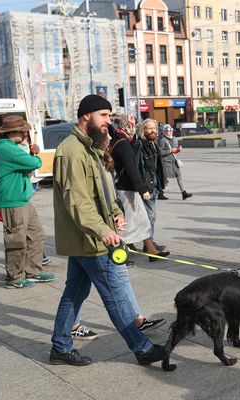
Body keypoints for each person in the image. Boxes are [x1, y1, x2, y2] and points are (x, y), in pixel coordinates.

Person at [49, 94, 165, 366]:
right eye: (103, 115)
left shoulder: (91, 148)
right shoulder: (71, 152)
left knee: (74, 293)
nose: (108, 122)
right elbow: (77, 201)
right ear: (86, 116)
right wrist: (103, 230)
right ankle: (142, 348)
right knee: (115, 293)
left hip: (89, 237)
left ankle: (61, 347)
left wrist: (115, 214)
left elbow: (103, 191)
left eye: (110, 117)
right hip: (90, 239)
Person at [0, 116, 53, 289]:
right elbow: (34, 163)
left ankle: (33, 271)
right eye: (23, 131)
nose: (26, 134)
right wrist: (34, 155)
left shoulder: (11, 147)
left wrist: (30, 151)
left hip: (21, 198)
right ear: (14, 132)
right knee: (16, 241)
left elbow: (29, 164)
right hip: (12, 200)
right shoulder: (6, 148)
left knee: (37, 235)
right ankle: (15, 278)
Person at [109, 121, 170, 262]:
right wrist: (142, 189)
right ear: (123, 128)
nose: (132, 129)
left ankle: (151, 250)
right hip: (127, 189)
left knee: (143, 221)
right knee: (127, 223)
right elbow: (132, 169)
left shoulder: (121, 142)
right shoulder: (124, 144)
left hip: (128, 187)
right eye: (130, 126)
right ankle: (121, 254)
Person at [133, 119, 167, 250]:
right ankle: (149, 245)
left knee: (148, 217)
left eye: (154, 128)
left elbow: (156, 166)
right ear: (143, 130)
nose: (153, 131)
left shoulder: (154, 144)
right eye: (149, 128)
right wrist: (142, 188)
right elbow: (135, 169)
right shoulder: (139, 145)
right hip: (146, 188)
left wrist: (162, 180)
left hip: (154, 186)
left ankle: (146, 243)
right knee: (150, 216)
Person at [158, 124, 192, 200]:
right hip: (166, 162)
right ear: (164, 132)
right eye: (167, 131)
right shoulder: (163, 140)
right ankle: (160, 193)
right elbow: (160, 152)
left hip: (173, 161)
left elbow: (173, 151)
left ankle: (184, 193)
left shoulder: (173, 139)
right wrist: (170, 150)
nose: (169, 132)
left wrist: (178, 150)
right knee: (163, 178)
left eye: (170, 131)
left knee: (179, 176)